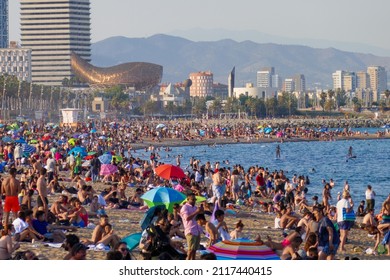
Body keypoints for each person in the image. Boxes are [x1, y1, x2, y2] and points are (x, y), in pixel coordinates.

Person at [180, 193, 203, 260]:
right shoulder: (185, 207)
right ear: (188, 199)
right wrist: (196, 212)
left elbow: (198, 218)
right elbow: (187, 218)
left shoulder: (195, 207)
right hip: (190, 230)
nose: (194, 201)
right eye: (192, 199)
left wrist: (201, 211)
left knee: (194, 250)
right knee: (190, 250)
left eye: (195, 199)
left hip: (196, 230)